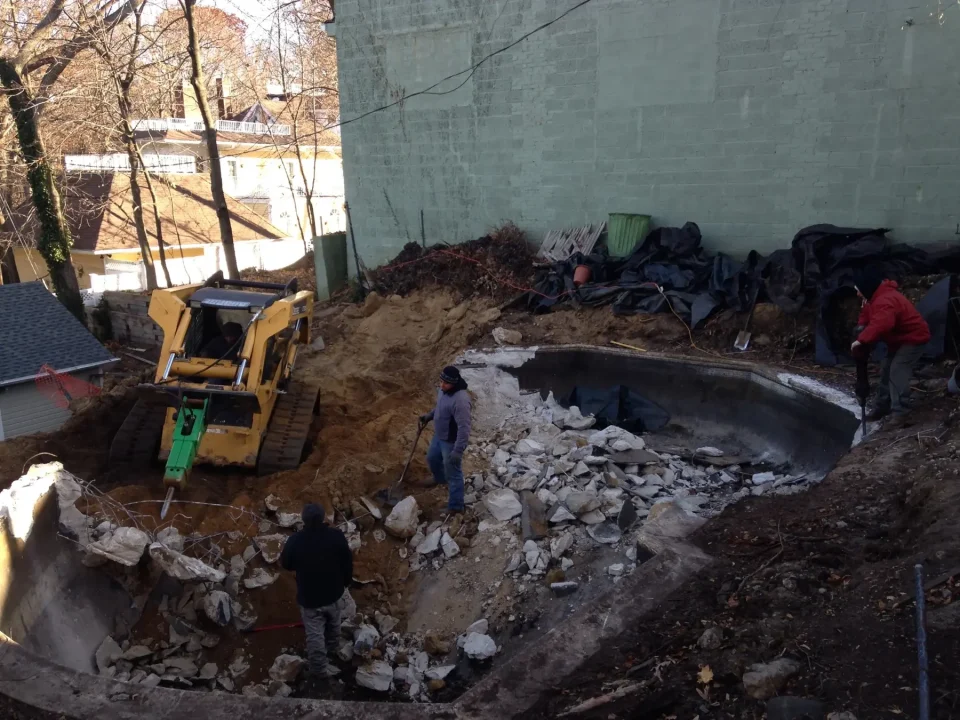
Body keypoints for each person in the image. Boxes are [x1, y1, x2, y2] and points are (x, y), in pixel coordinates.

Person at [280, 503, 353, 681]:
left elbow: (286, 564)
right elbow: (347, 561)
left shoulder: (296, 541)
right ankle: (333, 649)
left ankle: (319, 670)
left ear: (303, 520)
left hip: (310, 598)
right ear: (323, 518)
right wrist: (345, 582)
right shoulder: (335, 536)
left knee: (315, 635)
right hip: (334, 593)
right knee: (334, 625)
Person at [851, 267, 930, 420]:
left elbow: (882, 323)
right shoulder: (872, 298)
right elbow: (865, 316)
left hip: (913, 339)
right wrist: (860, 329)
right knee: (886, 369)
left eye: (858, 289)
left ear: (866, 288)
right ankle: (882, 407)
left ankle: (901, 413)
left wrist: (862, 339)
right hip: (898, 340)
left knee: (897, 370)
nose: (857, 293)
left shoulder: (885, 300)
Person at [419, 365, 471, 513]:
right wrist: (430, 415)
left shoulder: (461, 401)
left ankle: (456, 506)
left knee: (453, 473)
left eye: (445, 383)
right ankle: (440, 479)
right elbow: (441, 407)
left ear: (454, 383)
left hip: (451, 441)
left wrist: (458, 451)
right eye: (441, 381)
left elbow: (464, 428)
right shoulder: (444, 390)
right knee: (432, 459)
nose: (442, 385)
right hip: (439, 436)